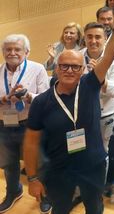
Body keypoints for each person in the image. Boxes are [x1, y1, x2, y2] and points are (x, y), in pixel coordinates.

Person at [24, 10, 114, 213]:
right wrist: (33, 178)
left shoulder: (90, 86)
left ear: (82, 70)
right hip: (59, 170)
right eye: (64, 66)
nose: (69, 70)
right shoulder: (41, 102)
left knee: (95, 208)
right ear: (56, 68)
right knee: (60, 209)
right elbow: (31, 142)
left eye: (75, 67)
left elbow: (108, 57)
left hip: (92, 168)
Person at [0, 34, 50, 213]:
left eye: (17, 49)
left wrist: (29, 96)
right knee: (8, 163)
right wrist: (5, 98)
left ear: (26, 52)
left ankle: (45, 195)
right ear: (3, 52)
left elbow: (46, 98)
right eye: (8, 49)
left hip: (31, 124)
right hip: (4, 124)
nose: (12, 52)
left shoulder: (37, 69)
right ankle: (14, 191)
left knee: (39, 162)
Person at [80, 23, 114, 152]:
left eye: (98, 37)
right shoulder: (77, 57)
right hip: (81, 113)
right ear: (84, 38)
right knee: (80, 151)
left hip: (105, 115)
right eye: (89, 37)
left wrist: (99, 76)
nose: (93, 41)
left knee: (102, 151)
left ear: (106, 39)